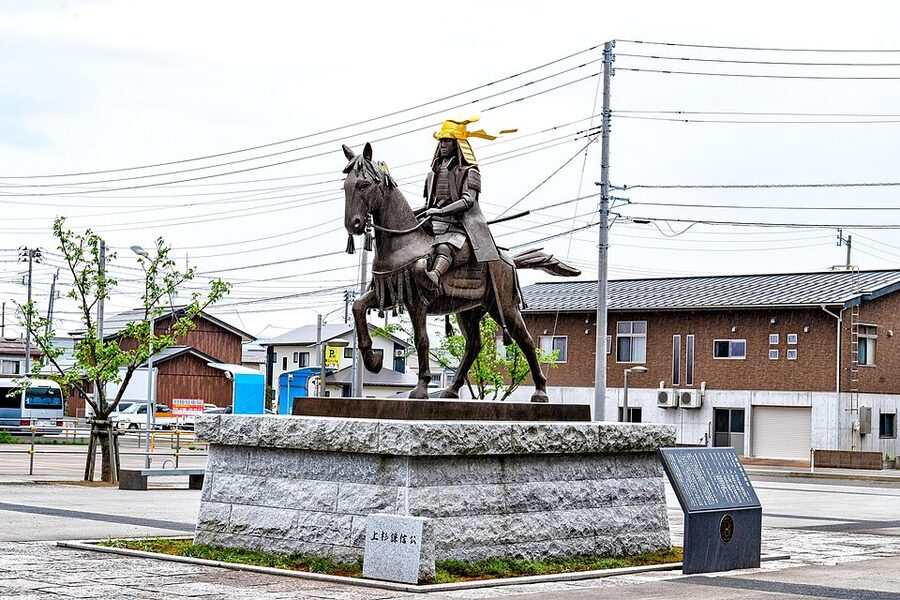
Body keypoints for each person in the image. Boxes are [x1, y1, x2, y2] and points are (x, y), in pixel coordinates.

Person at [419, 117, 514, 289]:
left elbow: (468, 200)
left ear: (457, 144)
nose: (443, 145)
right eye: (441, 141)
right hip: (433, 225)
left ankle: (434, 275)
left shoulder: (470, 172)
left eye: (447, 141)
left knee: (446, 247)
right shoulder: (431, 175)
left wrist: (441, 212)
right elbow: (428, 206)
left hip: (459, 226)